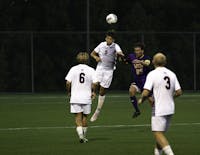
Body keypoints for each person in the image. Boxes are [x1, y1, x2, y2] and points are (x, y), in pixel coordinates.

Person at [138, 53, 182, 155]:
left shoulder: (152, 74)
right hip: (170, 108)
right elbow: (179, 92)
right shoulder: (172, 74)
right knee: (160, 134)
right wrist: (170, 97)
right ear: (165, 62)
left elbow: (145, 92)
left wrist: (141, 100)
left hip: (159, 108)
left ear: (153, 62)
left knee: (157, 134)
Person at [90, 30, 124, 122]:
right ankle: (93, 93)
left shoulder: (116, 46)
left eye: (110, 39)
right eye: (107, 38)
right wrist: (96, 57)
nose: (108, 40)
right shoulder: (101, 44)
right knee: (95, 83)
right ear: (105, 38)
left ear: (113, 40)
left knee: (102, 90)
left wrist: (120, 55)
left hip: (109, 70)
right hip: (100, 67)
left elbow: (120, 53)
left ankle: (97, 111)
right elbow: (92, 53)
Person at [65, 52, 97, 143]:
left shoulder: (73, 69)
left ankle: (81, 136)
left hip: (75, 97)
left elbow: (68, 82)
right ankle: (84, 137)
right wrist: (93, 92)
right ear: (87, 60)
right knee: (84, 118)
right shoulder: (91, 70)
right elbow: (95, 83)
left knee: (78, 118)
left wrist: (69, 91)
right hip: (86, 97)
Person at [125, 42, 152, 118]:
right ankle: (137, 111)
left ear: (142, 51)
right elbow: (126, 61)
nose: (136, 52)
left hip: (145, 83)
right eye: (135, 50)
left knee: (151, 101)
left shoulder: (146, 58)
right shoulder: (132, 56)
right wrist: (121, 58)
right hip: (136, 82)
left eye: (138, 50)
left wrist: (140, 62)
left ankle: (156, 114)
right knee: (131, 90)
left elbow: (147, 63)